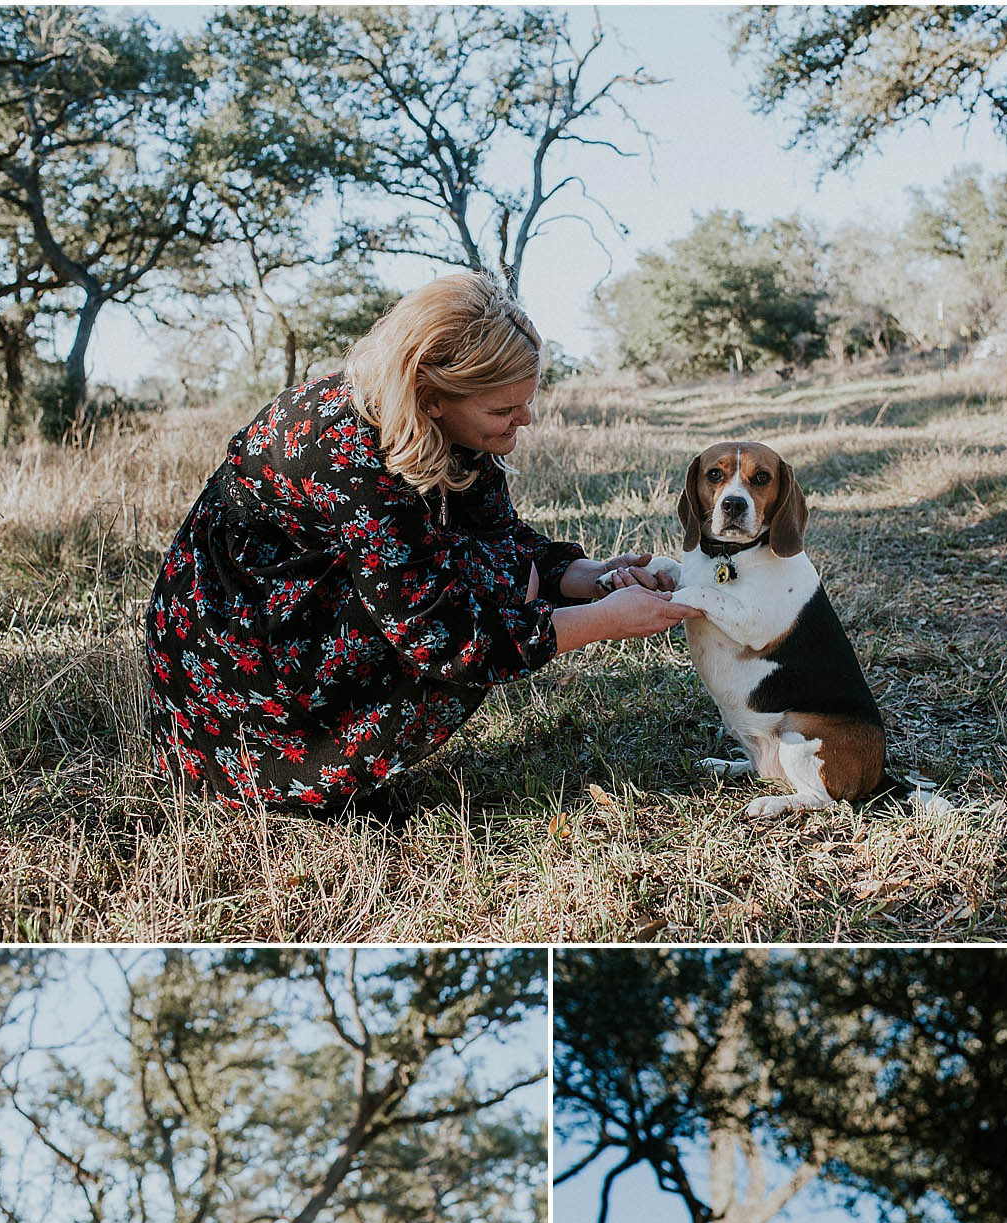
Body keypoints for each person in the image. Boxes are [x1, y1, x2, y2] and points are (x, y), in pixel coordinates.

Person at [145, 271, 699, 815]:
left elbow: (499, 535)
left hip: (309, 600)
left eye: (526, 401)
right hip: (235, 650)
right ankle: (302, 776)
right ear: (432, 398)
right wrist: (609, 620)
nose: (525, 420)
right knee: (495, 596)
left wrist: (590, 576)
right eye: (504, 410)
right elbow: (445, 639)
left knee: (505, 577)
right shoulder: (347, 449)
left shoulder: (441, 423)